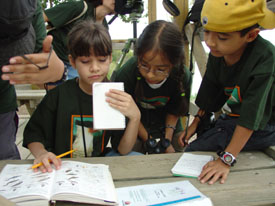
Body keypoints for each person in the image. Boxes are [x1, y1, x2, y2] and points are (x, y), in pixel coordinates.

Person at [23, 20, 141, 173]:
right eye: (85, 61)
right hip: (60, 166)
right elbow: (33, 134)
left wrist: (135, 117)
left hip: (99, 167)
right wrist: (42, 153)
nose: (94, 68)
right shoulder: (59, 95)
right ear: (72, 61)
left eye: (102, 60)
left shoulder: (114, 96)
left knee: (135, 157)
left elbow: (124, 150)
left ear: (110, 58)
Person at [178, 0, 275, 184]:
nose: (209, 42)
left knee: (195, 151)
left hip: (264, 124)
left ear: (251, 35)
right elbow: (210, 92)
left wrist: (226, 160)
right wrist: (195, 124)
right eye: (206, 31)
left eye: (222, 37)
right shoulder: (219, 51)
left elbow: (252, 116)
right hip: (234, 119)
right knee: (198, 144)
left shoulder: (265, 58)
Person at [113, 20, 192, 154]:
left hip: (167, 128)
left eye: (160, 69)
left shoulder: (182, 75)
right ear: (138, 56)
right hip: (135, 126)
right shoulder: (127, 74)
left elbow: (175, 111)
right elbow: (131, 116)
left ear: (173, 64)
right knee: (132, 149)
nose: (150, 74)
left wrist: (166, 142)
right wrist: (150, 141)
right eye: (144, 65)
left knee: (179, 146)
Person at [0, 0, 65, 160]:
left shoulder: (27, 6)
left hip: (2, 105)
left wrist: (57, 71)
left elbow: (43, 64)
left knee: (6, 163)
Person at [43, 0, 115, 80]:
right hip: (55, 61)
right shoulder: (78, 7)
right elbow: (38, 19)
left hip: (77, 66)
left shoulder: (104, 26)